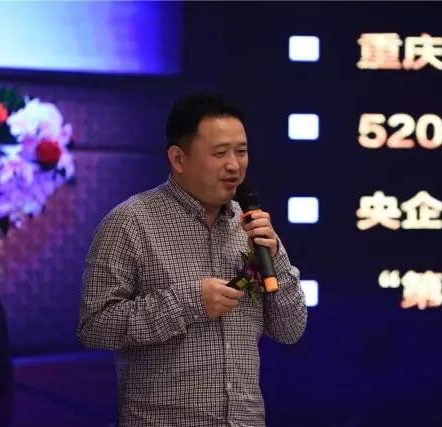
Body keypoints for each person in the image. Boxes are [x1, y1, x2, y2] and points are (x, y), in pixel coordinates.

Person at [77, 93, 307, 426]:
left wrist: (277, 260)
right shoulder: (130, 222)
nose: (234, 165)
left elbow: (290, 330)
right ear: (179, 159)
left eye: (241, 151)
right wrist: (189, 302)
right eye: (220, 153)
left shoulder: (252, 226)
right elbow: (95, 327)